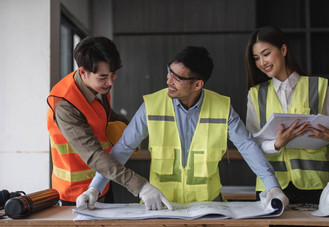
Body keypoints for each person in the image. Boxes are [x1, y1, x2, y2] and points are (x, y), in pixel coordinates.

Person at [77, 46, 288, 209]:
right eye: (169, 72)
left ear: (197, 85)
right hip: (161, 206)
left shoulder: (222, 107)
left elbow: (247, 146)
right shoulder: (152, 105)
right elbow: (122, 149)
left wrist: (273, 187)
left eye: (177, 78)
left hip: (209, 208)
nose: (168, 80)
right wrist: (95, 188)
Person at [47, 36, 171, 209]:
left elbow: (104, 114)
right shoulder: (65, 105)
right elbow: (93, 154)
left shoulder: (98, 86)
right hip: (76, 195)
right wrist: (141, 186)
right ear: (83, 72)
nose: (110, 82)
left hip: (102, 182)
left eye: (113, 74)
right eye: (103, 76)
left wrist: (128, 128)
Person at [245, 26, 329, 204]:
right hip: (271, 186)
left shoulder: (319, 88)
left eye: (266, 54)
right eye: (256, 58)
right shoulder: (255, 95)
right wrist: (276, 144)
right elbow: (251, 144)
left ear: (283, 50)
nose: (262, 62)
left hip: (315, 186)